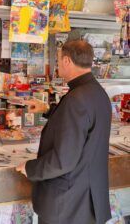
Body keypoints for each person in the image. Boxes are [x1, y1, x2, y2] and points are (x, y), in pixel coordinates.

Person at [16, 40, 111, 224]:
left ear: (67, 61)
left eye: (58, 61)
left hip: (68, 207)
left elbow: (63, 161)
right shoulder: (98, 93)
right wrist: (47, 109)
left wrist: (29, 168)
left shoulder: (76, 98)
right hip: (87, 202)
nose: (57, 66)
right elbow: (81, 127)